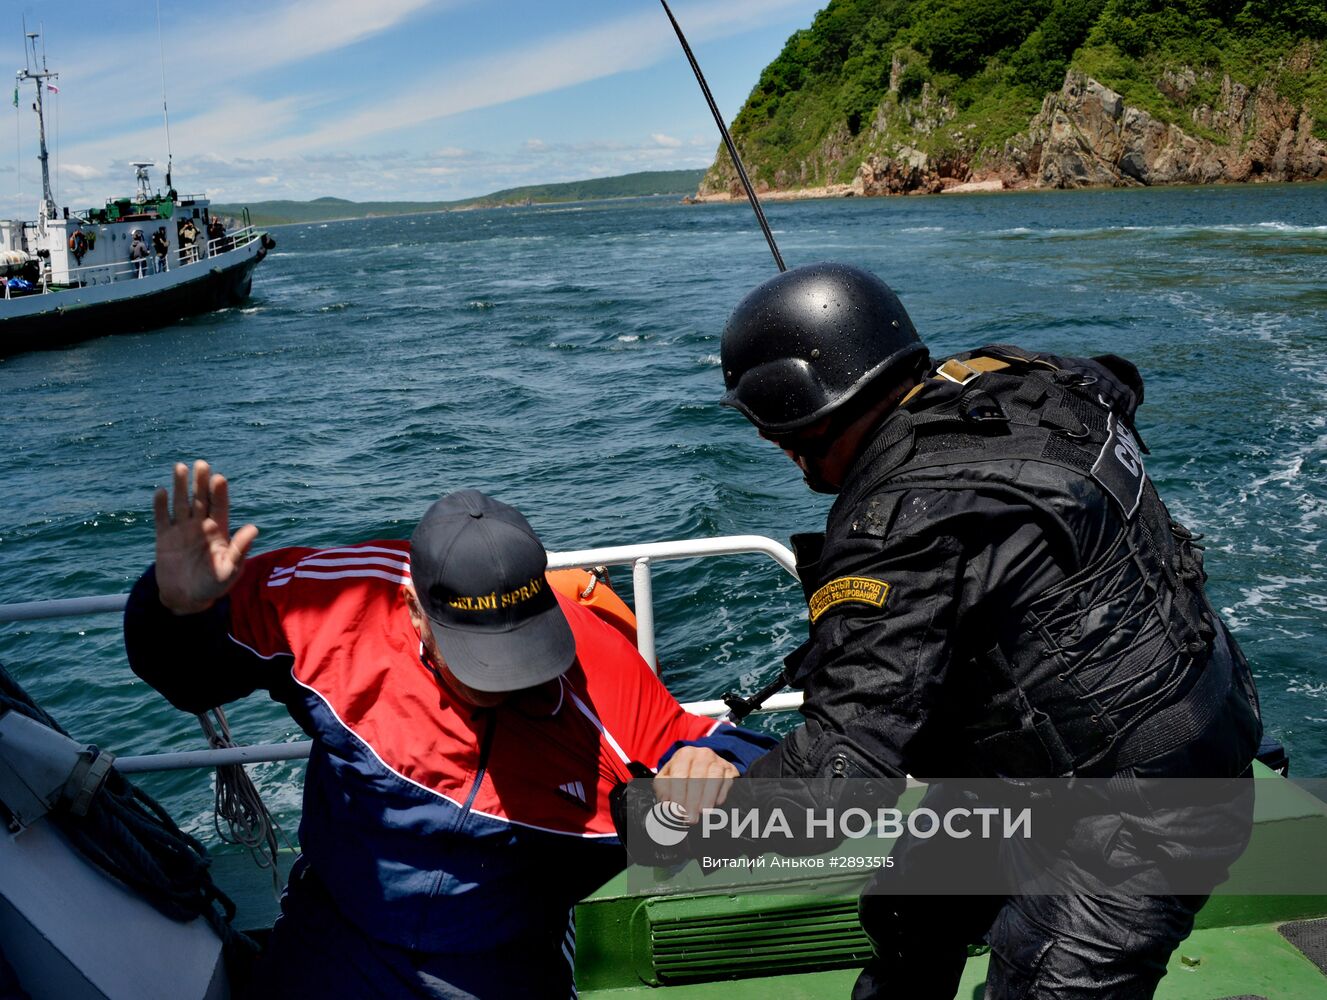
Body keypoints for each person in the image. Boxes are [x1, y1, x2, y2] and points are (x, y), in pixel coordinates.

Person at [709, 262, 1263, 999]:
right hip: (1126, 723)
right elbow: (1119, 381)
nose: (779, 448)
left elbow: (838, 787)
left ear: (816, 412)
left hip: (1147, 802)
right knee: (912, 907)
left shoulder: (900, 529)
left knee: (1047, 982)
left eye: (783, 427)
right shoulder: (1040, 379)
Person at [124, 461, 774, 999]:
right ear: (411, 610)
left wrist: (721, 766)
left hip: (497, 964)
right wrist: (173, 610)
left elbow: (749, 774)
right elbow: (191, 679)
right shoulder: (329, 607)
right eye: (476, 662)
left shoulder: (591, 664)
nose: (501, 683)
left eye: (521, 655)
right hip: (338, 934)